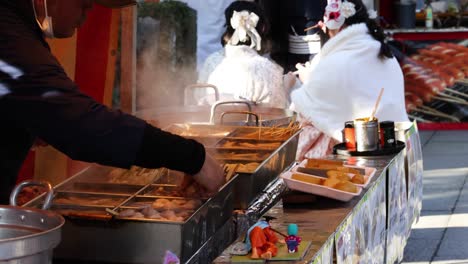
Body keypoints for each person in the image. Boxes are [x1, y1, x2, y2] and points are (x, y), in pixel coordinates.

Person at [0, 0, 225, 204]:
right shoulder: (8, 33)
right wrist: (192, 157)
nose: (89, 11)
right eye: (85, 2)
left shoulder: (19, 25)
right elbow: (82, 124)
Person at [288, 0, 409, 159]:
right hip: (395, 141)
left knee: (304, 131)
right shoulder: (383, 52)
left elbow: (307, 106)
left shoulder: (336, 60)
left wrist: (308, 79)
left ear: (337, 26)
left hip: (358, 147)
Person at [197, 1, 291, 109]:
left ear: (229, 27)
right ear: (263, 28)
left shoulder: (211, 62)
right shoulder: (269, 69)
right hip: (251, 125)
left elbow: (199, 98)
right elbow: (277, 111)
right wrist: (288, 86)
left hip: (210, 124)